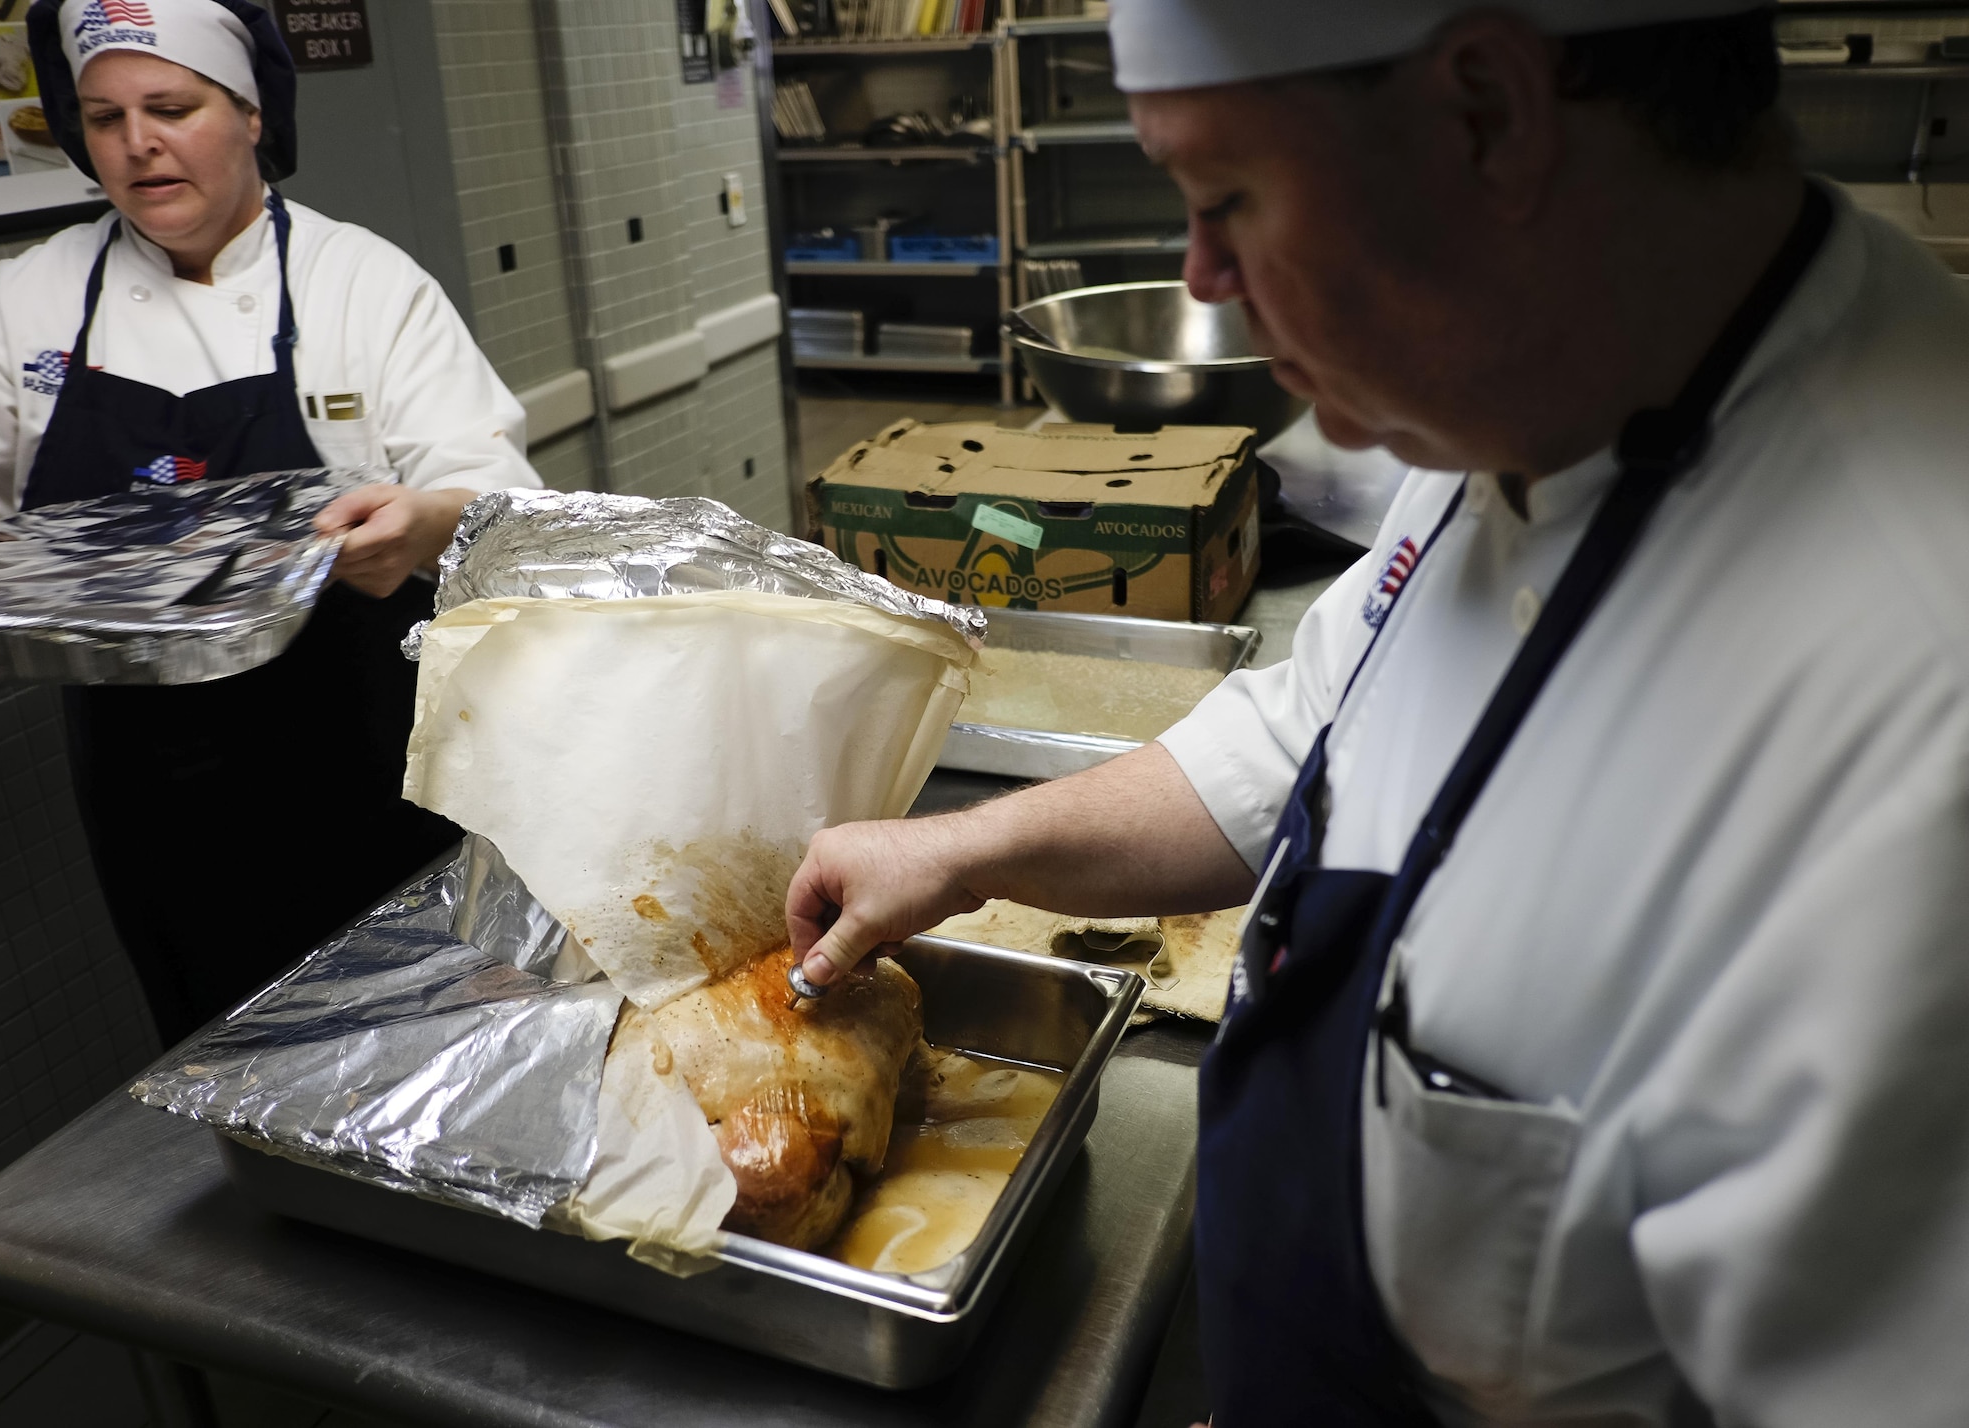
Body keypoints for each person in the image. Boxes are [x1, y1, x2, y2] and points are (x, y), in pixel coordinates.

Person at [785, 2, 1969, 1423]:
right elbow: (1312, 733)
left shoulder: (1915, 701)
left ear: (1485, 117)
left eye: (1226, 199)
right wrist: (966, 853)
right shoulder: (1532, 388)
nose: (1203, 277)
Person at [0, 0, 540, 1044]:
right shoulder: (22, 301)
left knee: (419, 1031)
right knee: (215, 1028)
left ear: (249, 115)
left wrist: (424, 521)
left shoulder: (357, 284)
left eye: (172, 107)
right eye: (103, 118)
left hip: (361, 749)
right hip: (145, 776)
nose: (138, 143)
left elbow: (493, 497)